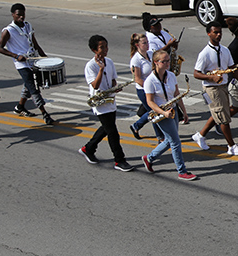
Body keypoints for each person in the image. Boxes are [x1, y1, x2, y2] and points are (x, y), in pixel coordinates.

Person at [191, 21, 238, 156]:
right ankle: (231, 146)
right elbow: (196, 73)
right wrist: (211, 78)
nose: (218, 35)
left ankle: (200, 135)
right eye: (215, 32)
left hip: (223, 86)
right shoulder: (204, 53)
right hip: (211, 88)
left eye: (220, 32)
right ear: (208, 34)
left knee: (218, 113)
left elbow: (232, 68)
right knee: (223, 117)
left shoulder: (225, 50)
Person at [79, 35, 134, 172]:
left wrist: (115, 88)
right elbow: (95, 85)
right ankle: (119, 160)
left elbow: (113, 80)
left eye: (106, 46)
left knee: (106, 128)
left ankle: (88, 148)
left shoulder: (109, 61)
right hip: (100, 102)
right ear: (94, 50)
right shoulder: (90, 66)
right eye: (101, 47)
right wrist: (101, 69)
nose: (105, 50)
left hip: (110, 99)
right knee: (113, 132)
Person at [141, 49, 197, 181]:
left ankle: (149, 158)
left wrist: (184, 111)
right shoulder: (150, 81)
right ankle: (182, 171)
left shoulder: (171, 75)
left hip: (172, 111)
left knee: (169, 140)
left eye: (168, 61)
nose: (167, 64)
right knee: (175, 142)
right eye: (164, 61)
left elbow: (176, 94)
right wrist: (163, 112)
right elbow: (149, 101)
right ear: (155, 63)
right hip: (161, 112)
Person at [0, 3, 56, 124]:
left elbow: (35, 43)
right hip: (21, 64)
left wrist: (45, 58)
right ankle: (45, 114)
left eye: (23, 14)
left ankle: (20, 107)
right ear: (13, 15)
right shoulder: (8, 31)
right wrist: (16, 56)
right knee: (33, 88)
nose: (21, 17)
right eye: (18, 15)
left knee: (28, 85)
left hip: (33, 60)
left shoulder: (28, 26)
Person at [128, 33, 164, 142]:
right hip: (144, 90)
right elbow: (137, 79)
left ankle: (136, 126)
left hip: (154, 88)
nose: (147, 45)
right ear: (137, 45)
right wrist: (150, 88)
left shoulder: (150, 54)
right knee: (155, 113)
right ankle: (160, 137)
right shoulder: (136, 60)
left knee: (152, 112)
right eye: (144, 43)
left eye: (147, 42)